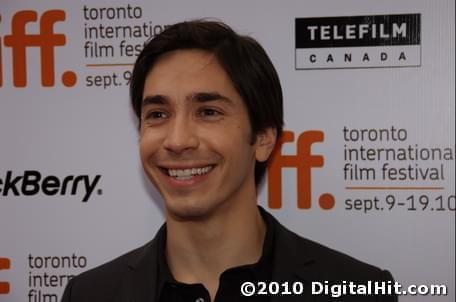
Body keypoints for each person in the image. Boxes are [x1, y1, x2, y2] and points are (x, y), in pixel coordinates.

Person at [61, 20, 397, 302]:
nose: (177, 140)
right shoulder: (90, 294)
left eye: (208, 112)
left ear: (264, 138)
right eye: (158, 114)